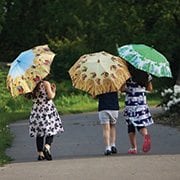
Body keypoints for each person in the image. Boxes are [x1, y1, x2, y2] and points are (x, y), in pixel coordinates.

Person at [25, 79, 64, 161]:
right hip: (47, 111)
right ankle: (47, 146)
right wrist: (53, 91)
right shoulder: (45, 83)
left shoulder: (31, 84)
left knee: (39, 133)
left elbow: (28, 97)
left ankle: (40, 154)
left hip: (36, 112)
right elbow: (50, 97)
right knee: (51, 129)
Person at [121, 64, 154, 154]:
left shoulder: (127, 74)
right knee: (141, 123)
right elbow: (150, 88)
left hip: (131, 103)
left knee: (130, 125)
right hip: (142, 103)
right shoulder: (146, 74)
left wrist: (127, 89)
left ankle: (133, 148)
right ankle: (146, 136)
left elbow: (122, 88)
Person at [97, 91, 120, 155]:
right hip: (114, 107)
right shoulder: (115, 83)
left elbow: (95, 96)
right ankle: (113, 145)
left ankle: (108, 148)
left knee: (106, 128)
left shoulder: (100, 84)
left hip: (103, 108)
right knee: (112, 126)